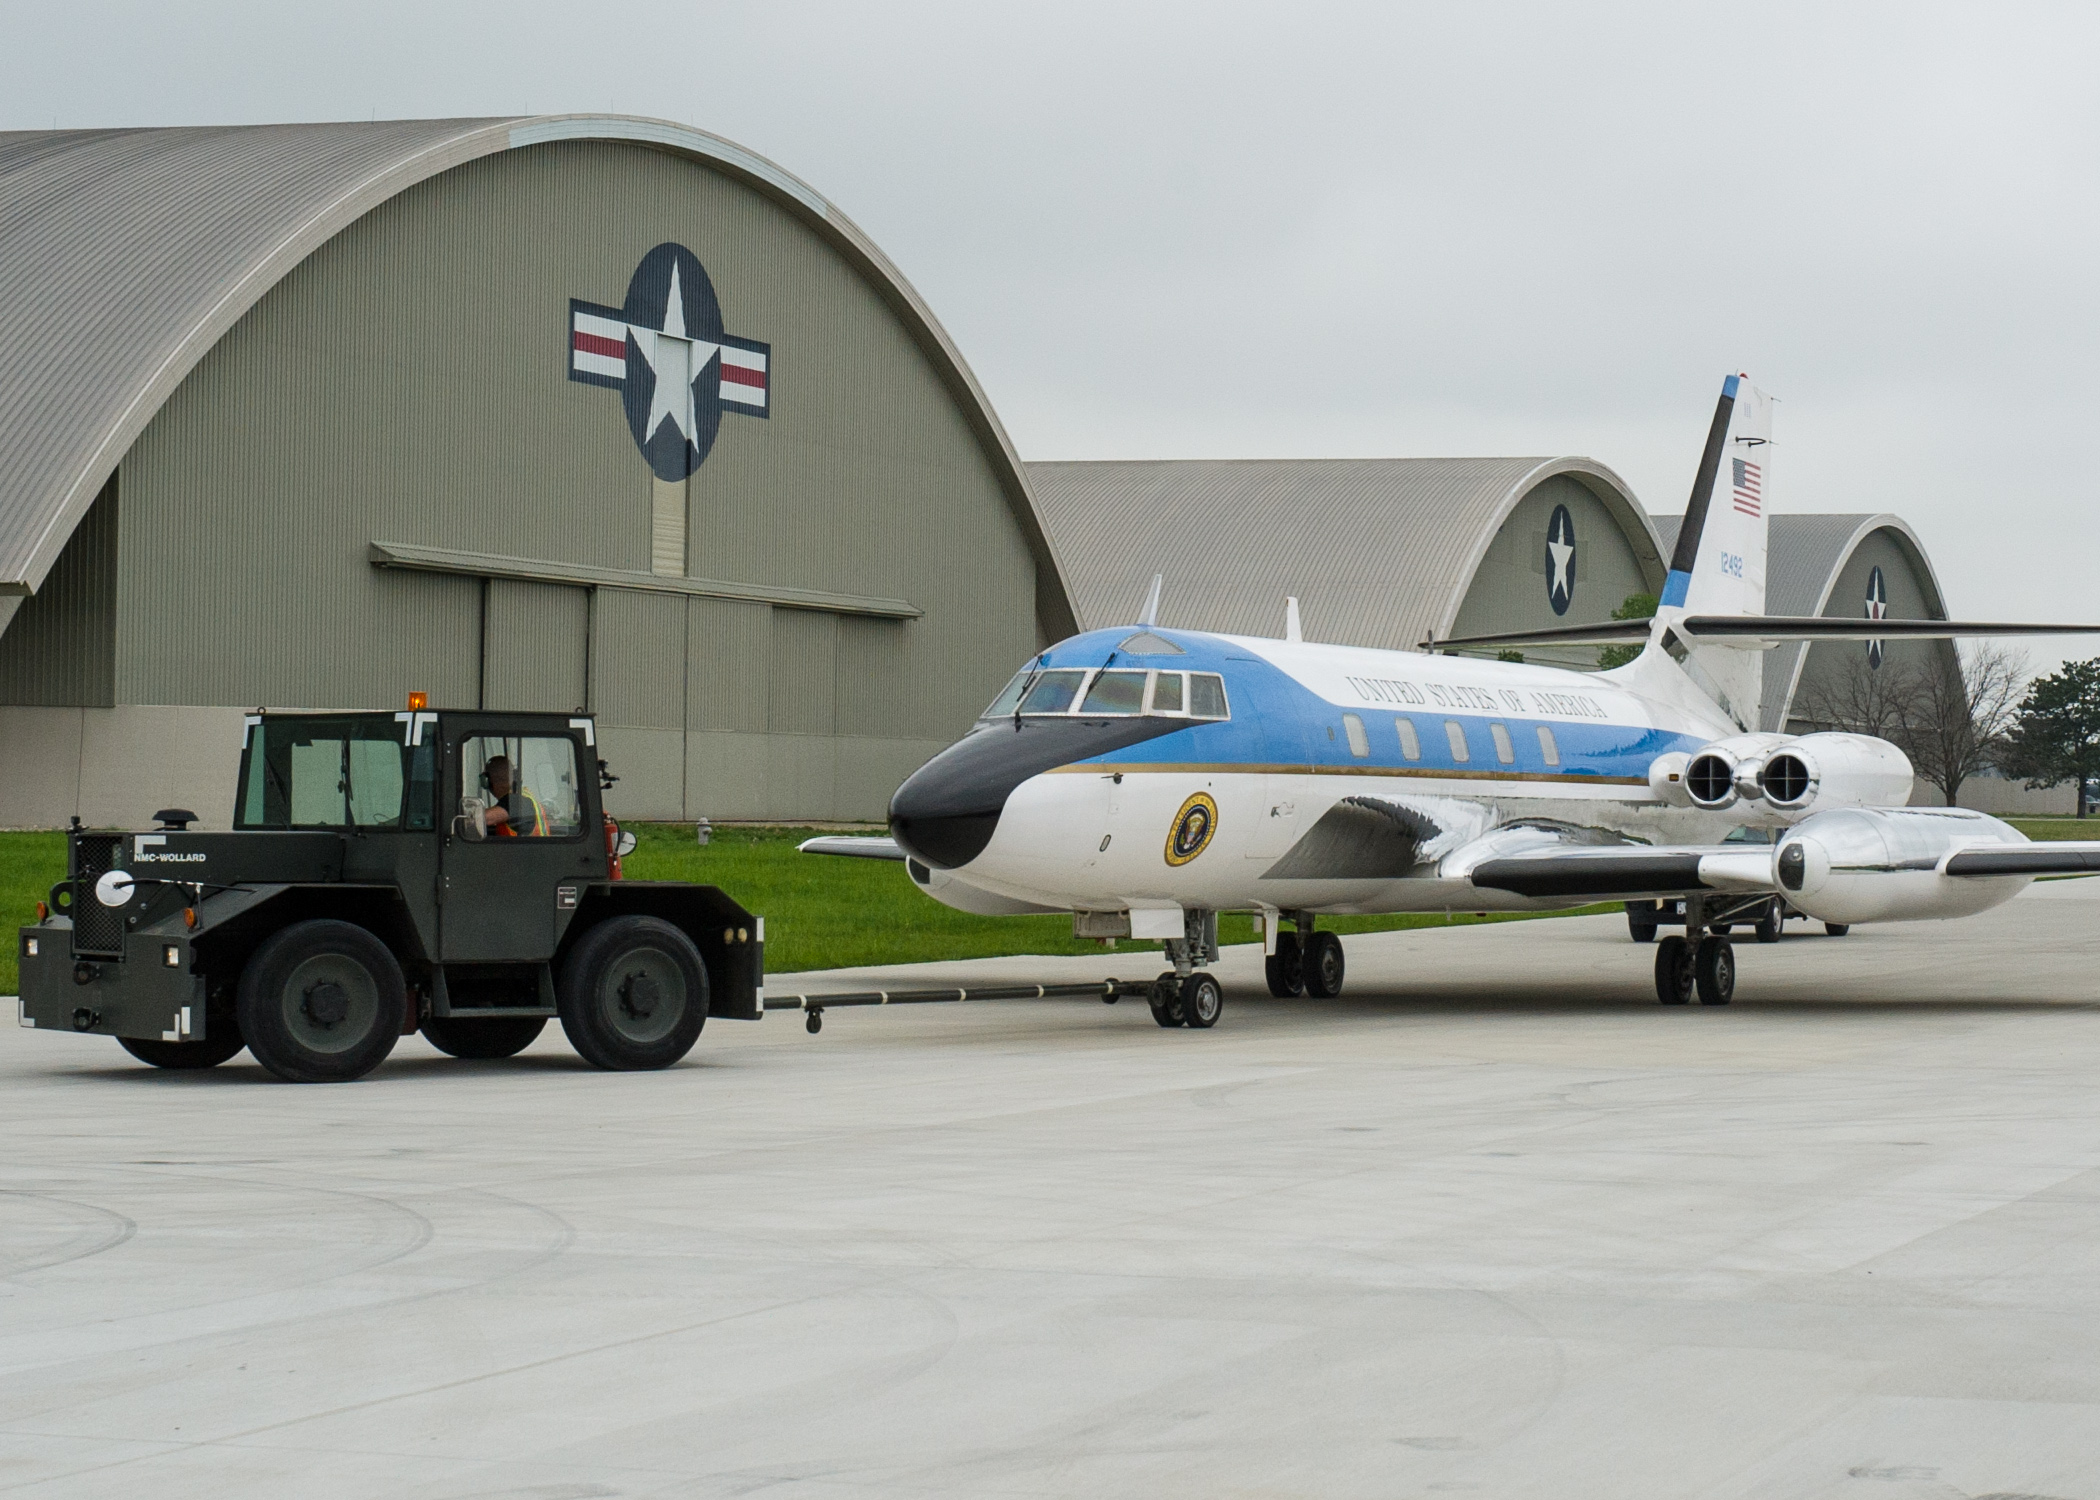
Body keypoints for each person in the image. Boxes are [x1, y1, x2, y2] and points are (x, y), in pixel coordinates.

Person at [481, 755, 547, 837]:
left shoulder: (515, 801)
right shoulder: (525, 796)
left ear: (491, 781)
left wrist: (466, 815)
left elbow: (483, 819)